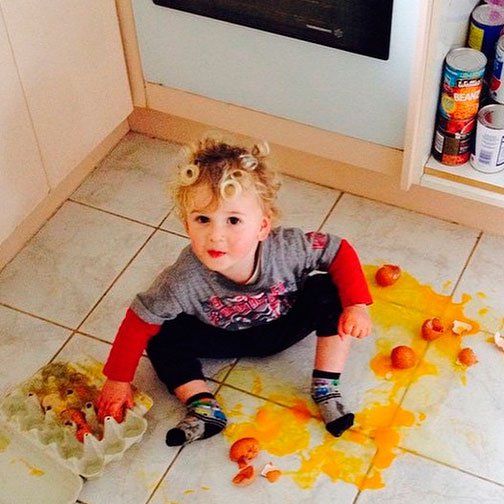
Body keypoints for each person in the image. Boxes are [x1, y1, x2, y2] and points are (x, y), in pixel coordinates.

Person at [96, 135, 372, 446]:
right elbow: (138, 319)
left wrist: (357, 304)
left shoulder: (288, 249)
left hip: (282, 325)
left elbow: (338, 250)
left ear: (263, 227)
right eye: (202, 219)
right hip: (220, 337)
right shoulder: (182, 279)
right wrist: (118, 380)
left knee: (328, 290)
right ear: (187, 226)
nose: (216, 236)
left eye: (233, 220)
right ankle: (202, 405)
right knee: (160, 337)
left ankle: (325, 387)